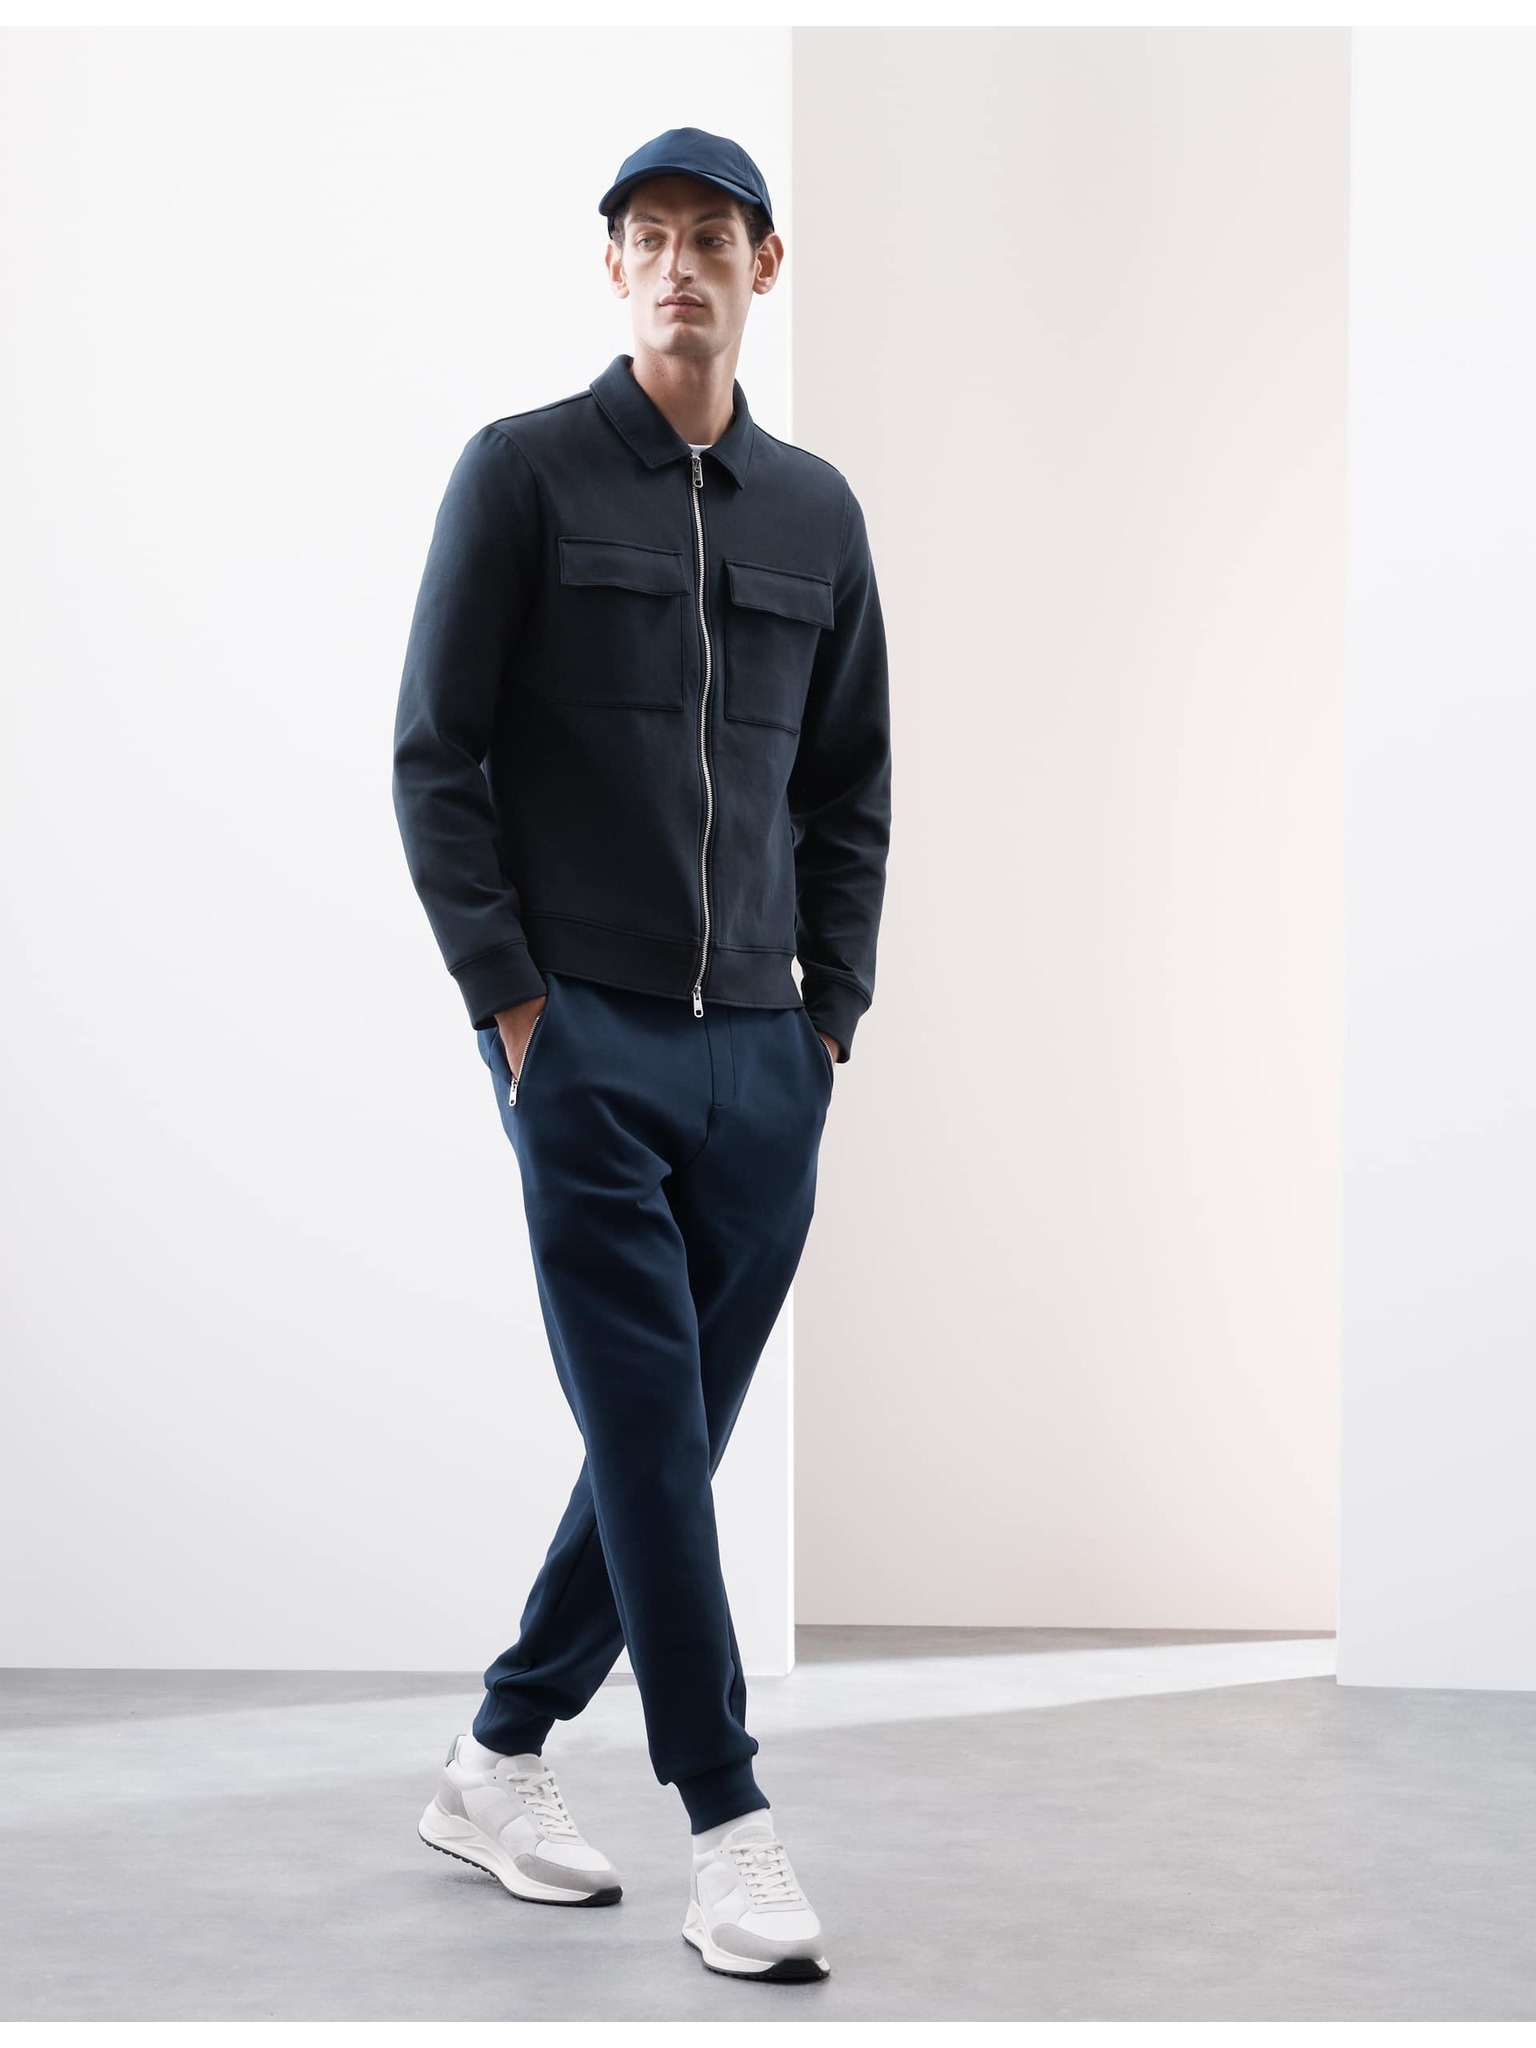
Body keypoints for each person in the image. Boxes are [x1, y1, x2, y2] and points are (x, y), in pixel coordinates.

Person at [391, 126, 891, 1985]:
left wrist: (828, 1016)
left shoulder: (817, 515)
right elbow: (435, 755)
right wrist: (514, 1008)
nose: (683, 264)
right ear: (612, 266)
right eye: (651, 237)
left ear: (768, 265)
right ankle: (730, 1827)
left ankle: (497, 1753)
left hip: (764, 1051)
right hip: (583, 1038)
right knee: (656, 1440)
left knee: (659, 1444)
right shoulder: (520, 475)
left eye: (715, 237)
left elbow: (852, 785)